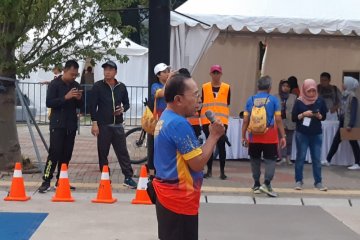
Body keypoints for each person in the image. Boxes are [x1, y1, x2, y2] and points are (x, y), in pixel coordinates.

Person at [152, 73, 225, 240]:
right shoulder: (178, 123)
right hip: (179, 201)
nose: (199, 99)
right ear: (178, 99)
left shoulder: (166, 117)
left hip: (169, 198)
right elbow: (197, 164)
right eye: (195, 94)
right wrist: (214, 136)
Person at [90, 60, 137, 188]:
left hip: (118, 125)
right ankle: (105, 178)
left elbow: (127, 103)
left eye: (110, 70)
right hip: (103, 124)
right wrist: (94, 123)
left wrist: (122, 109)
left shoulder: (121, 86)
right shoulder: (98, 86)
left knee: (122, 152)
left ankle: (128, 177)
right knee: (103, 152)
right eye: (105, 70)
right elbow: (92, 106)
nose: (107, 72)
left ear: (115, 72)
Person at [38, 60, 83, 193]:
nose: (73, 77)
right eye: (71, 74)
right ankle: (46, 180)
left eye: (76, 74)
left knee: (67, 154)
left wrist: (80, 99)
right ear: (65, 70)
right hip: (57, 124)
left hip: (71, 124)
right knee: (54, 153)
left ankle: (61, 180)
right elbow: (49, 102)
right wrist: (66, 97)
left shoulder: (76, 85)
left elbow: (81, 106)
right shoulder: (55, 84)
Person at [241, 75, 286, 197]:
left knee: (255, 160)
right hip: (270, 135)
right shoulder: (274, 100)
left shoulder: (250, 100)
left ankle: (256, 184)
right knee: (270, 160)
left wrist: (243, 136)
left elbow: (245, 120)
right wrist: (283, 135)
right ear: (270, 87)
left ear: (258, 86)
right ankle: (266, 183)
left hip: (253, 136)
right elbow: (278, 119)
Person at [292, 78, 328, 191]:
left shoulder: (320, 100)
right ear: (304, 90)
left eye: (313, 90)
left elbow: (324, 116)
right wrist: (303, 114)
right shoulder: (299, 101)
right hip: (302, 133)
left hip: (316, 133)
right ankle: (298, 181)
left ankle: (318, 182)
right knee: (300, 158)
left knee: (316, 158)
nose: (311, 93)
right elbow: (294, 118)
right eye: (309, 91)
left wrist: (319, 116)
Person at [200, 64, 230, 180]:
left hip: (222, 121)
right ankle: (209, 171)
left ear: (221, 74)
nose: (216, 75)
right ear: (210, 74)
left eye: (218, 73)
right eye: (214, 72)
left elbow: (227, 103)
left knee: (221, 146)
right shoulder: (204, 87)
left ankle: (222, 172)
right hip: (207, 121)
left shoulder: (227, 88)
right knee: (209, 146)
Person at [326, 76, 360, 169]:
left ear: (348, 84)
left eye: (344, 83)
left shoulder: (353, 97)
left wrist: (350, 124)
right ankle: (328, 160)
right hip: (343, 122)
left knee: (353, 142)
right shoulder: (345, 95)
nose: (342, 84)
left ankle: (358, 163)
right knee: (336, 141)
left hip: (348, 124)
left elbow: (353, 112)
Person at [147, 63, 171, 178]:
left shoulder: (171, 85)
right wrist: (171, 80)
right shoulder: (155, 86)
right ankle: (152, 173)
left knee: (166, 146)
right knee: (155, 146)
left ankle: (164, 171)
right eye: (165, 72)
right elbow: (162, 93)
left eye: (168, 71)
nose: (167, 74)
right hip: (159, 120)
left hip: (170, 119)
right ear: (158, 75)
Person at [274, 79, 297, 165]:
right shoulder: (276, 97)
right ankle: (282, 157)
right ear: (280, 87)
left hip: (290, 121)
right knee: (281, 139)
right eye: (284, 86)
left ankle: (288, 158)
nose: (286, 88)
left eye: (288, 86)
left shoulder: (293, 97)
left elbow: (296, 109)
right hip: (280, 121)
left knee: (289, 140)